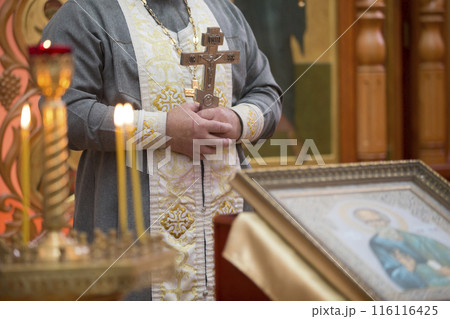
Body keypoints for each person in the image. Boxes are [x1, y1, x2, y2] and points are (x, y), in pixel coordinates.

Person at [41, 0, 282, 300]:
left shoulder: (224, 11)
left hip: (228, 229)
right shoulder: (86, 13)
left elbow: (266, 92)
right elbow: (63, 112)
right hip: (129, 238)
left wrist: (236, 120)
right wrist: (163, 129)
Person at [354, 208, 450, 290]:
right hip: (423, 277)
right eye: (369, 222)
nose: (376, 224)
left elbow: (434, 247)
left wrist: (443, 267)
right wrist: (408, 269)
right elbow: (392, 269)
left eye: (378, 220)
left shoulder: (407, 235)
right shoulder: (376, 243)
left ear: (385, 219)